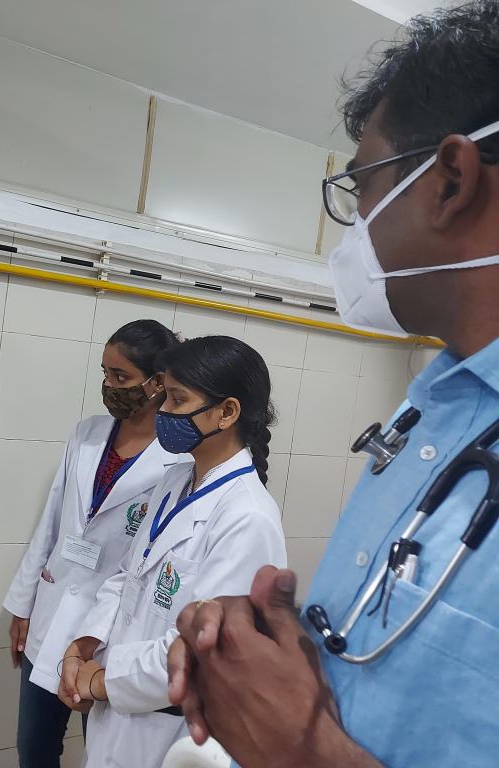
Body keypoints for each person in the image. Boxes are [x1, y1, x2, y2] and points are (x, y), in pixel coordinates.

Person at [166, 4, 499, 766]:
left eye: (362, 187)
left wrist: (304, 753)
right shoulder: (432, 410)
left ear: (450, 181)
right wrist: (268, 655)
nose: (355, 229)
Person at [57, 336, 287, 768]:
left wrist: (103, 681)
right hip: (120, 714)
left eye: (177, 400)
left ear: (227, 412)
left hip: (171, 731)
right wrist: (85, 645)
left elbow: (206, 650)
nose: (162, 411)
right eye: (164, 397)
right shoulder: (175, 480)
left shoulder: (249, 518)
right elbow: (127, 575)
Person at [3, 319, 181, 768]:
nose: (109, 386)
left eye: (121, 377)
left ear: (158, 383)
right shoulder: (87, 434)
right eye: (105, 373)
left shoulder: (177, 459)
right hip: (51, 608)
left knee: (100, 752)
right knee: (34, 747)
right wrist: (23, 603)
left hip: (109, 631)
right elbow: (51, 522)